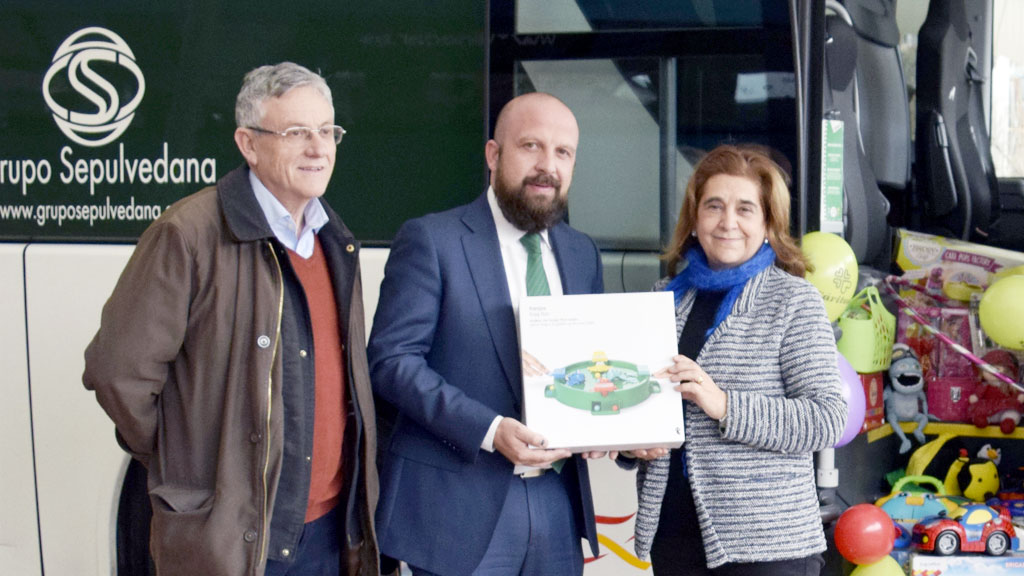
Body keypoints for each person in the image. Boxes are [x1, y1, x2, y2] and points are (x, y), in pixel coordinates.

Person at [83, 62, 380, 576]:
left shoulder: (332, 236)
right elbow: (115, 371)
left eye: (327, 130)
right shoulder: (188, 234)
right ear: (248, 143)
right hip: (239, 541)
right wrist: (188, 459)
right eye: (296, 132)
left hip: (328, 533)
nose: (318, 148)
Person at [367, 92, 603, 576]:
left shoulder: (582, 254)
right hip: (456, 509)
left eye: (563, 153)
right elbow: (391, 361)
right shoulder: (433, 239)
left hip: (557, 504)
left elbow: (590, 366)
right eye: (531, 146)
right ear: (494, 155)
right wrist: (491, 431)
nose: (548, 166)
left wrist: (606, 427)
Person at [621, 145, 847, 575]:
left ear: (768, 224)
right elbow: (641, 402)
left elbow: (827, 418)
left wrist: (725, 404)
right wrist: (630, 444)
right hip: (674, 533)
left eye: (745, 208)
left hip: (766, 546)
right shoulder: (663, 298)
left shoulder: (794, 300)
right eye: (714, 206)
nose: (728, 222)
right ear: (694, 219)